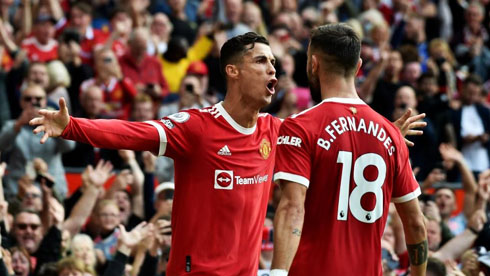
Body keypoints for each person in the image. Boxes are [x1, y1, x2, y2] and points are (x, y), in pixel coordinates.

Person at [29, 32, 281, 275]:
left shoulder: (274, 131)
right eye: (261, 60)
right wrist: (72, 126)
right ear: (232, 71)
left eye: (273, 62)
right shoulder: (197, 127)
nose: (272, 68)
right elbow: (132, 133)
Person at [270, 24, 427, 275]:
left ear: (314, 64)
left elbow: (292, 207)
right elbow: (416, 225)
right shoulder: (392, 136)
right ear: (358, 66)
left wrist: (277, 272)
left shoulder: (300, 126)